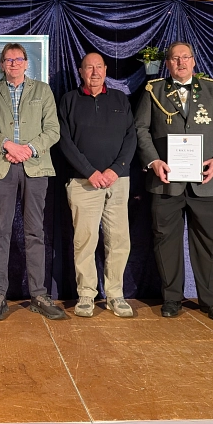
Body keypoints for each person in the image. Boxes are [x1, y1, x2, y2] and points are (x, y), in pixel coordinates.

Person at [133, 41, 213, 322]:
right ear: (167, 63)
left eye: (185, 57)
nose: (180, 62)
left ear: (194, 61)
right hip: (165, 180)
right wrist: (154, 161)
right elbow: (140, 130)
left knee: (208, 244)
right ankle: (171, 298)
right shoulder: (152, 91)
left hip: (208, 181)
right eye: (174, 58)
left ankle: (210, 301)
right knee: (165, 241)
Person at [0, 43, 64, 321]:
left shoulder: (43, 90)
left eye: (18, 59)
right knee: (1, 233)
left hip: (35, 167)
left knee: (35, 233)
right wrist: (6, 145)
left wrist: (29, 149)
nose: (13, 63)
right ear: (2, 65)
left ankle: (38, 294)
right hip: (2, 167)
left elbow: (53, 130)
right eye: (8, 60)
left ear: (26, 63)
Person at [57, 52, 137, 318]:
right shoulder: (69, 100)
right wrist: (90, 172)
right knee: (85, 240)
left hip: (117, 181)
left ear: (105, 70)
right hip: (83, 183)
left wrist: (116, 170)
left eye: (99, 67)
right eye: (89, 67)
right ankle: (86, 295)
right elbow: (64, 142)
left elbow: (131, 138)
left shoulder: (119, 99)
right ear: (80, 71)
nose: (94, 72)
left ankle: (115, 294)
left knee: (118, 240)